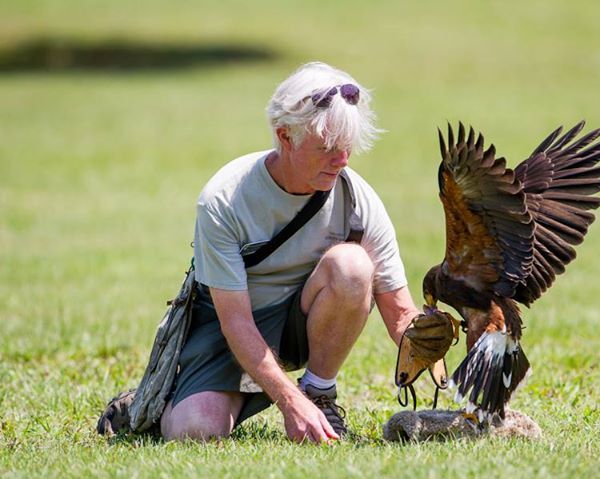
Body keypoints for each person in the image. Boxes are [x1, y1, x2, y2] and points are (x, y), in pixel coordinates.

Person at [158, 62, 421, 444]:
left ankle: (319, 393)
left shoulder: (357, 197)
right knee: (196, 431)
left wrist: (462, 367)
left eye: (347, 146)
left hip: (301, 323)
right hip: (230, 327)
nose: (343, 160)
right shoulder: (224, 200)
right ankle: (158, 402)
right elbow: (236, 324)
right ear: (285, 136)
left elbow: (401, 315)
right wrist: (288, 402)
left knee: (351, 267)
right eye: (329, 148)